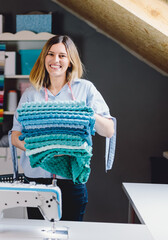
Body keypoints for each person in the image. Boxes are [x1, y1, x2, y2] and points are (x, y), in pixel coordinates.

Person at [10, 35, 116, 221]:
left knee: (70, 233)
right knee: (37, 234)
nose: (55, 60)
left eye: (62, 55)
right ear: (44, 58)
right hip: (36, 181)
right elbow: (15, 135)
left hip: (72, 182)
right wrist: (45, 150)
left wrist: (88, 114)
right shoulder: (31, 94)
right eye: (50, 54)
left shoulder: (86, 89)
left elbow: (108, 130)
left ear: (70, 61)